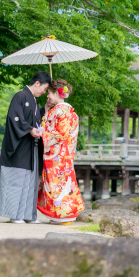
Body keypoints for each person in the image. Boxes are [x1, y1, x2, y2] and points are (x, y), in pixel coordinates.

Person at [0, 71, 50, 223]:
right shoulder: (20, 96)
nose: (44, 92)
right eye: (44, 88)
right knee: (17, 182)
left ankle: (27, 215)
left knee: (29, 183)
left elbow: (35, 121)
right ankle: (15, 215)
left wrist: (46, 110)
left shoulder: (34, 101)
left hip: (30, 148)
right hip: (19, 147)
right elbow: (14, 118)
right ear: (37, 83)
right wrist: (29, 129)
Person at [37, 79, 85, 225]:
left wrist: (42, 134)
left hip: (58, 156)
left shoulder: (61, 111)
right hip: (64, 155)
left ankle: (63, 216)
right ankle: (60, 216)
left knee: (58, 186)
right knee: (61, 186)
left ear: (57, 93)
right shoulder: (66, 111)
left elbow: (60, 134)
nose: (48, 96)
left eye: (50, 93)